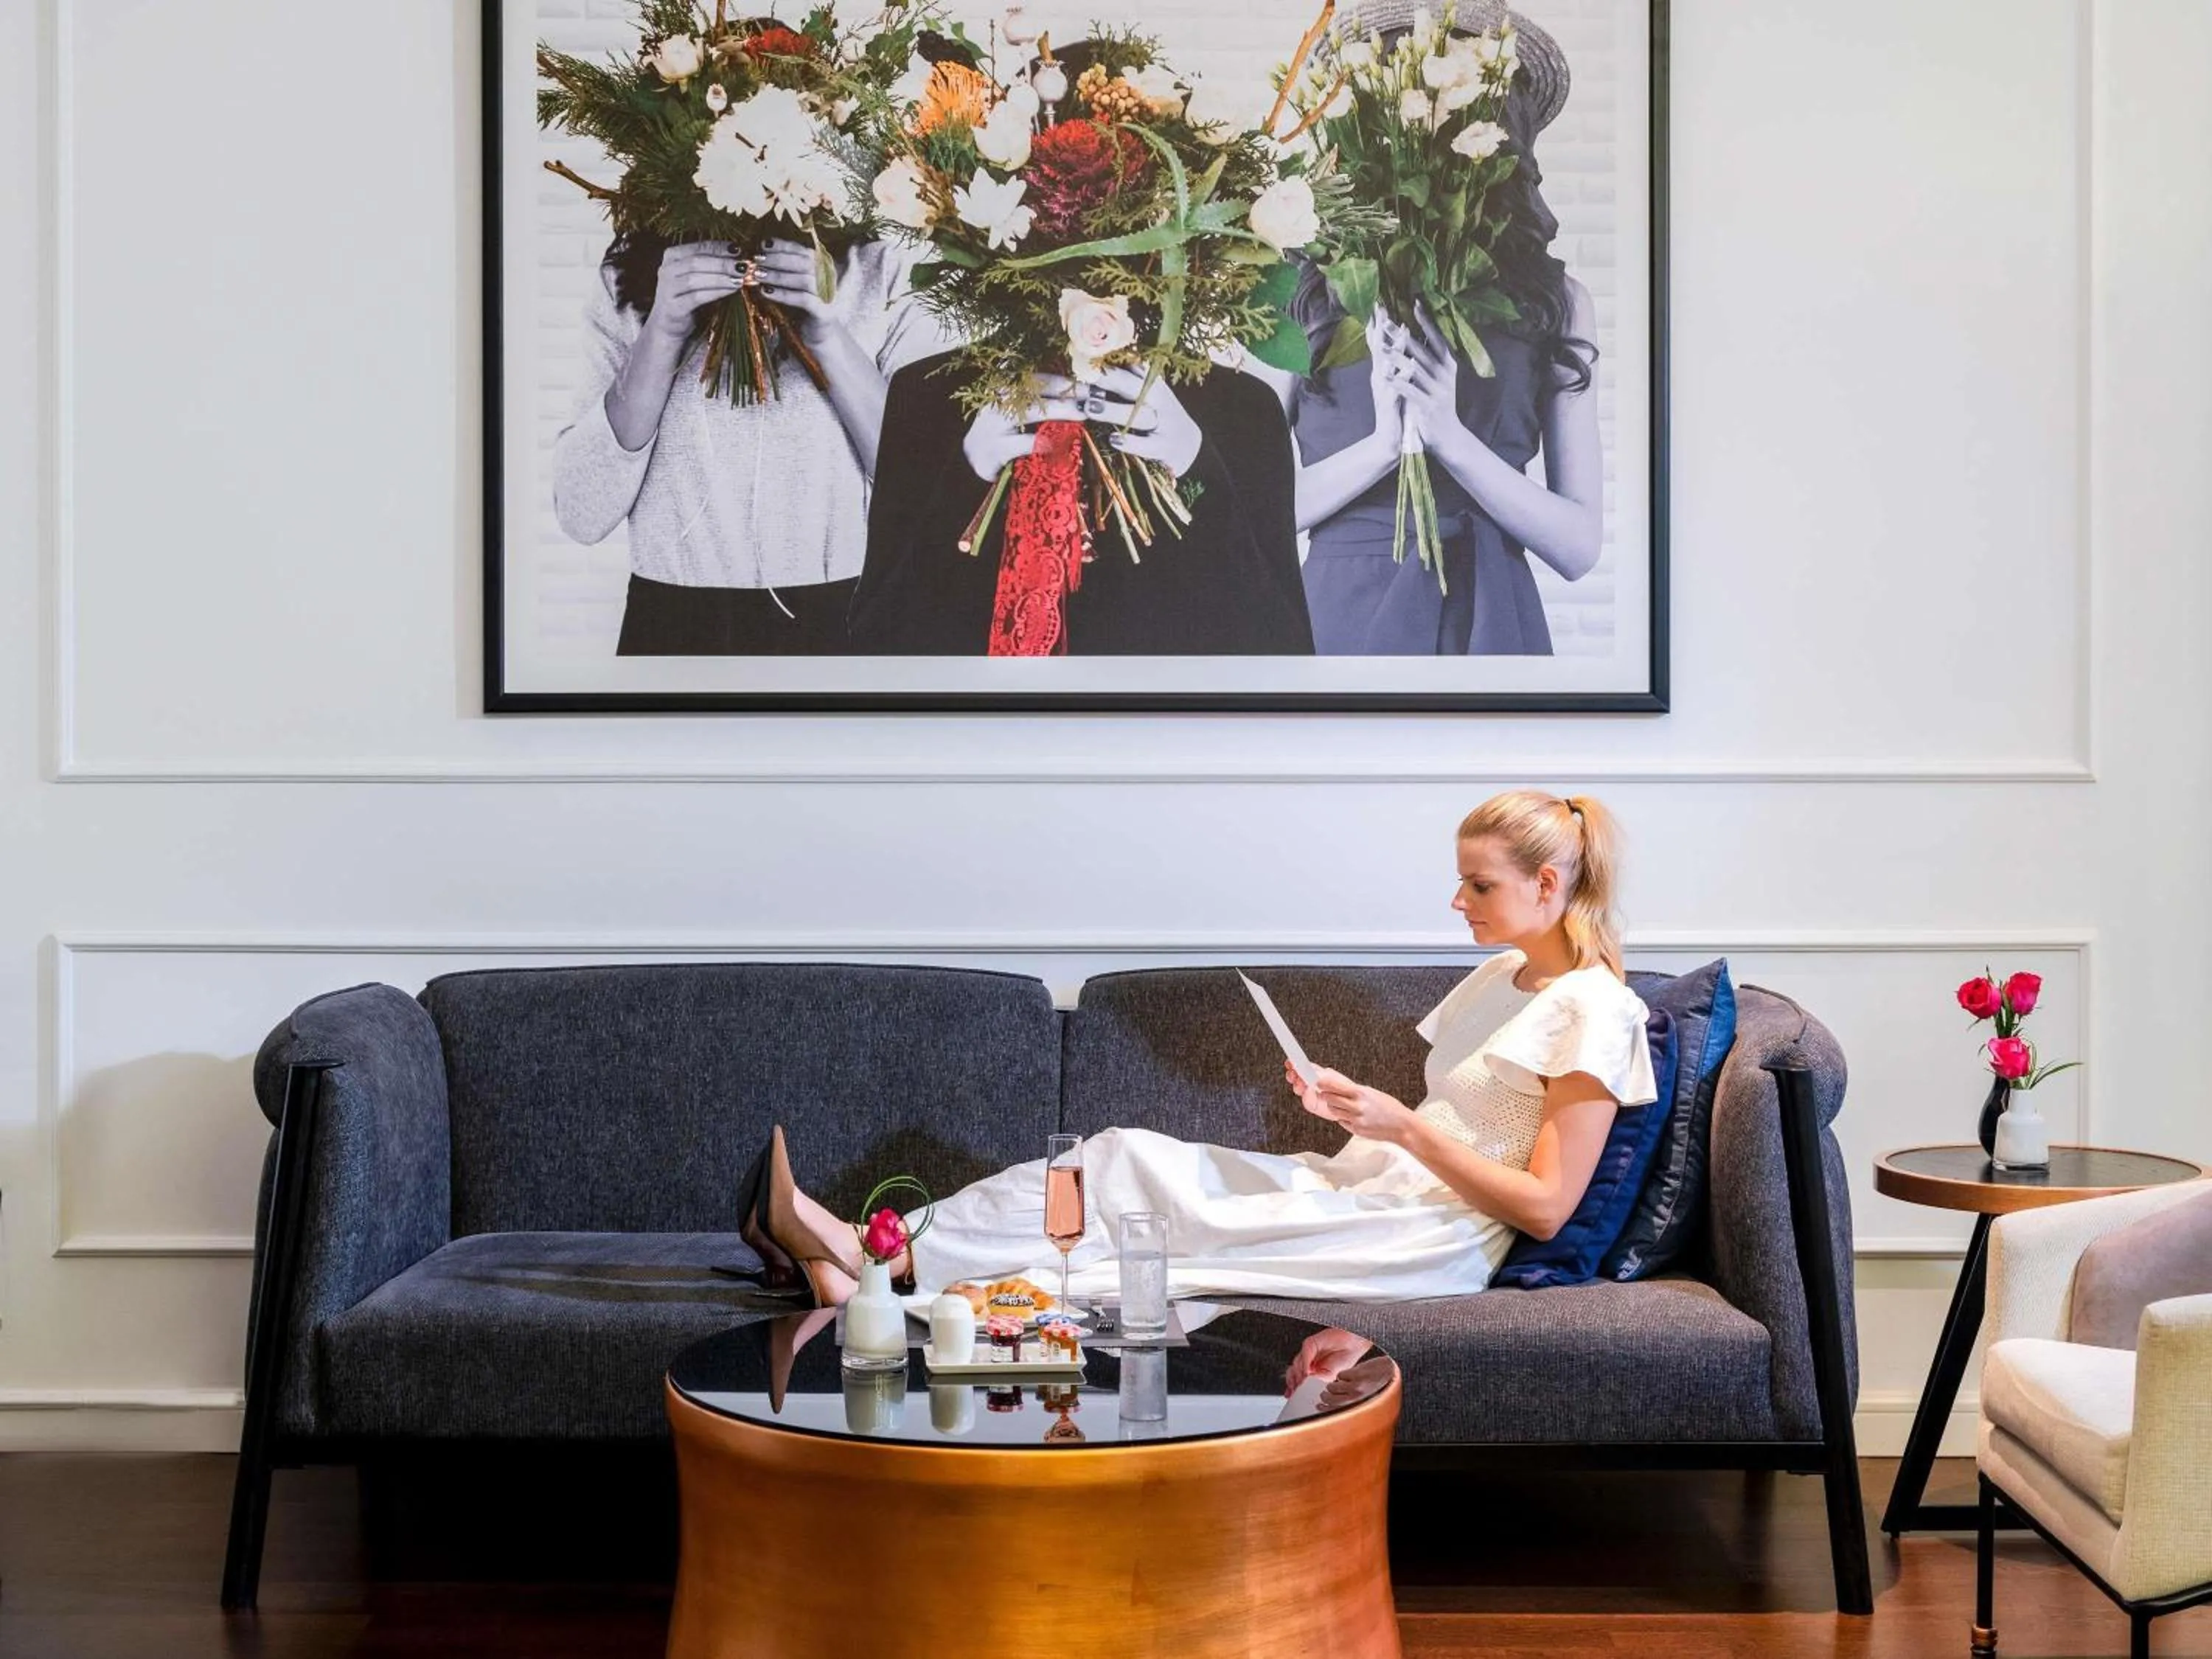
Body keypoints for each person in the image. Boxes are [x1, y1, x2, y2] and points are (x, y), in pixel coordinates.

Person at [748, 789, 1656, 1305]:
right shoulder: (1500, 979)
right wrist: (1358, 1114)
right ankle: (881, 1256)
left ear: (1547, 885)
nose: (1458, 902)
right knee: (1120, 1159)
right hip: (1372, 1184)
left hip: (1426, 1234)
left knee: (1132, 1230)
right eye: (1459, 880)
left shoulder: (1597, 1011)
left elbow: (1542, 1207)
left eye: (1479, 884)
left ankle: (871, 1265)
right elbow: (1447, 1116)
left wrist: (1405, 1132)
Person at [1251, 0, 1602, 657]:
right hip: (1340, 620)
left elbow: (1580, 547)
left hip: (1493, 622)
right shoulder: (1301, 287)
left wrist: (1450, 438)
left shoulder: (1554, 300)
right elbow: (1252, 515)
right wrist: (1386, 444)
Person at [551, 232, 947, 655]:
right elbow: (583, 513)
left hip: (840, 623)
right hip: (671, 628)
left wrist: (826, 335)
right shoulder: (632, 281)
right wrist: (662, 331)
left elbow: (927, 495)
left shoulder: (879, 269)